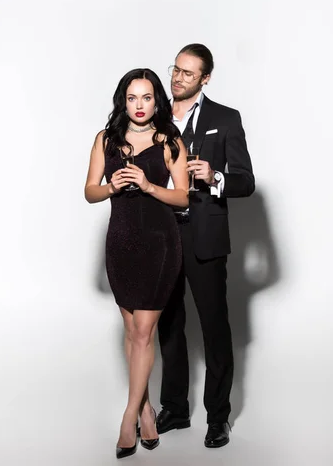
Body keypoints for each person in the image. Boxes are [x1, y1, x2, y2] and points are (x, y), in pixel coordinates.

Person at [84, 68, 189, 459]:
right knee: (132, 332)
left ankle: (128, 417)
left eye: (147, 98)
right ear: (123, 100)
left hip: (160, 245)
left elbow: (183, 198)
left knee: (143, 333)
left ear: (156, 100)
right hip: (121, 243)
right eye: (132, 98)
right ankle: (146, 410)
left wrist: (147, 186)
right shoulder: (106, 139)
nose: (140, 105)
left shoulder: (169, 139)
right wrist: (112, 186)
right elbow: (89, 191)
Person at [157, 44, 255, 448]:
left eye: (188, 73)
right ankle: (175, 409)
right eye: (176, 69)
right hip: (161, 236)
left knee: (215, 329)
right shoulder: (153, 113)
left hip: (205, 237)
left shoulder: (225, 118)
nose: (178, 78)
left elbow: (246, 181)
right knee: (169, 326)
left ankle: (218, 418)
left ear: (205, 78)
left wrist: (215, 177)